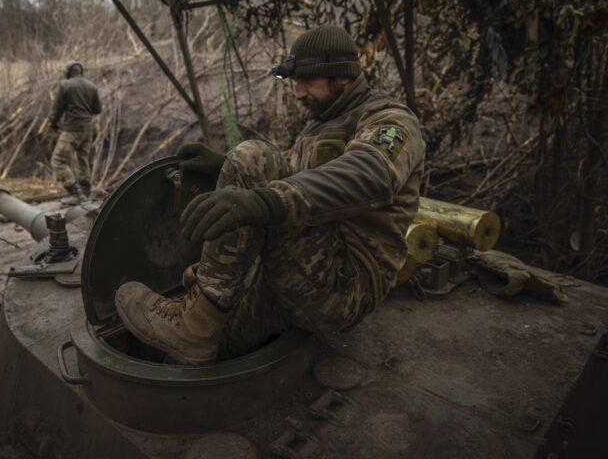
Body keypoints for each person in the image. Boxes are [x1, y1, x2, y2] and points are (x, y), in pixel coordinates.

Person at [115, 25, 425, 365]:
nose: (298, 93)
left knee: (253, 154)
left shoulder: (388, 119)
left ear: (341, 76)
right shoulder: (320, 124)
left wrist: (261, 196)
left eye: (306, 80)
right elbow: (294, 177)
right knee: (215, 343)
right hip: (307, 266)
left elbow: (372, 173)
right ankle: (199, 324)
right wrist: (224, 167)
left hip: (345, 284)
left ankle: (193, 326)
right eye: (294, 82)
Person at [48, 61, 101, 202]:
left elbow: (57, 109)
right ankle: (85, 193)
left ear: (68, 73)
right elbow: (97, 110)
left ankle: (75, 190)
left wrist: (52, 122)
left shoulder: (65, 86)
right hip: (87, 129)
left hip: (72, 129)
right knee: (82, 160)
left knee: (57, 160)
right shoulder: (92, 86)